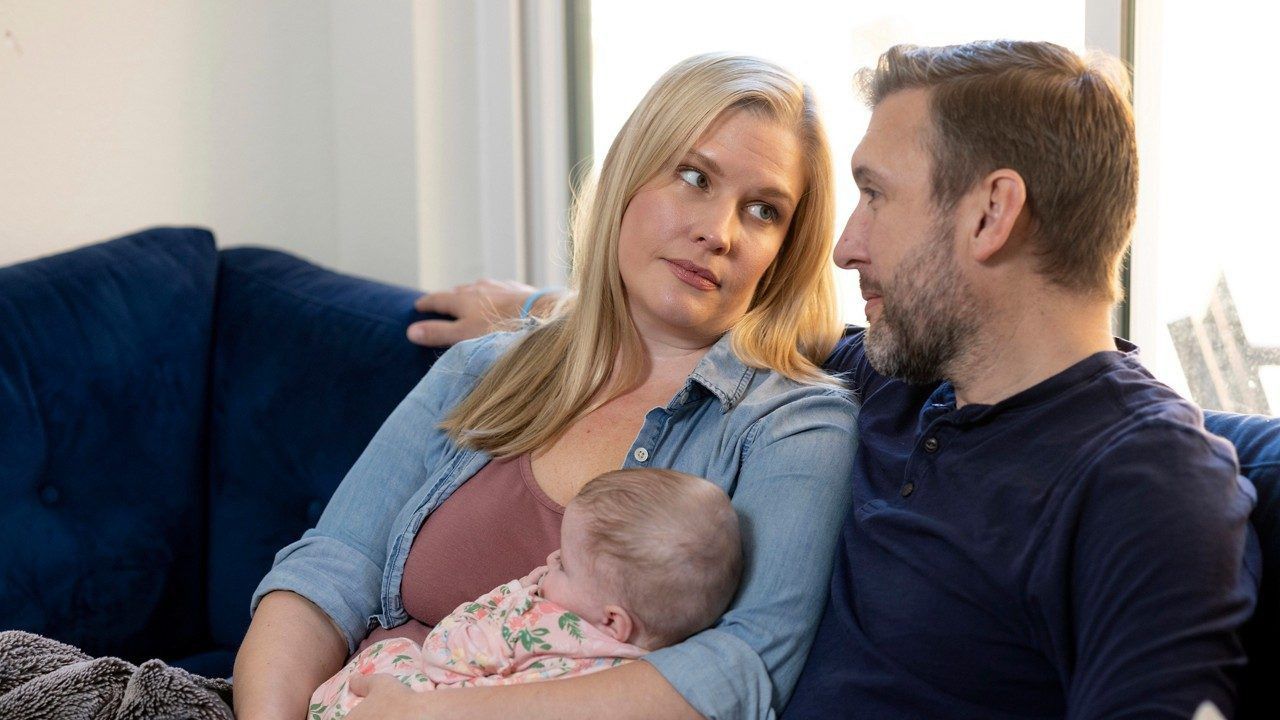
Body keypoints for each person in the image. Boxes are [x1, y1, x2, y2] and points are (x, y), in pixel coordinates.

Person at [410, 41, 1260, 718]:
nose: (847, 246)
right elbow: (711, 328)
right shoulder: (887, 376)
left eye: (876, 197)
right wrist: (548, 309)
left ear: (991, 214)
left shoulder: (1148, 484)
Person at [233, 53, 860, 720]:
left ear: (786, 252)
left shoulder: (793, 427)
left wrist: (436, 717)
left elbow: (741, 668)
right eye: (692, 176)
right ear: (627, 177)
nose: (719, 232)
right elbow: (328, 571)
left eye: (763, 210)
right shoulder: (482, 369)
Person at [310, 468, 743, 720]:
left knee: (397, 654)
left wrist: (516, 593)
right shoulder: (641, 676)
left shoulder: (548, 624)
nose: (550, 560)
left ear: (612, 620)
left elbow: (447, 651)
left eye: (565, 566)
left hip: (420, 704)